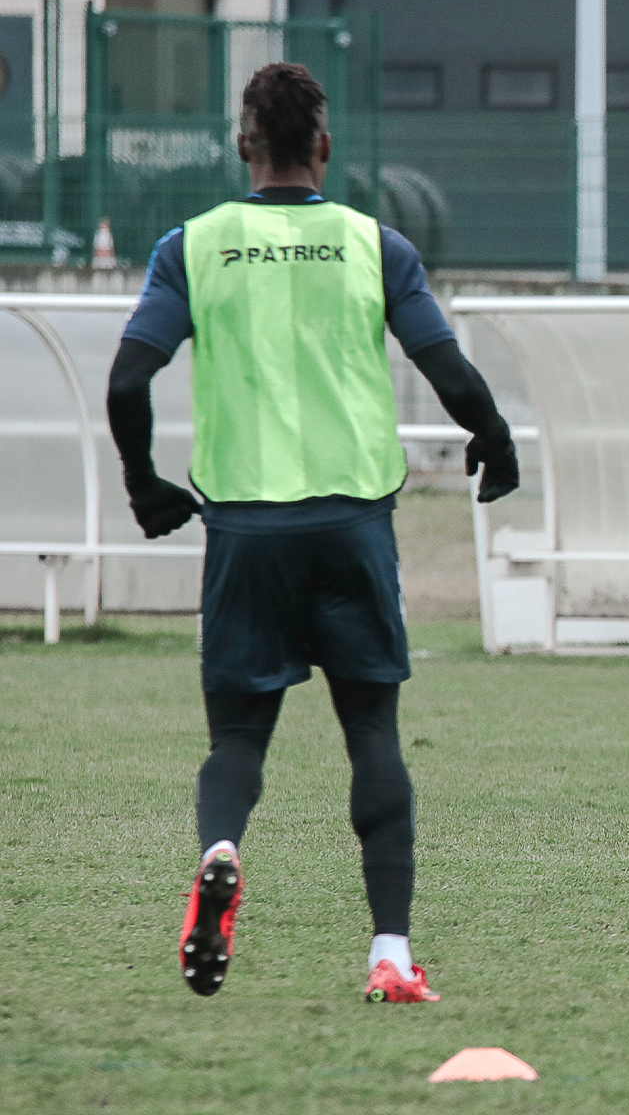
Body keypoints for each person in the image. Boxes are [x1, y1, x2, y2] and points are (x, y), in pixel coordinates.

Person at [106, 62, 520, 1003]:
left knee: (237, 741)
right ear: (324, 148)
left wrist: (145, 487)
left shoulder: (194, 245)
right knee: (372, 731)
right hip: (351, 526)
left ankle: (220, 851)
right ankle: (389, 956)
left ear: (243, 145)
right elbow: (448, 371)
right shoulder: (375, 244)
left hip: (245, 531)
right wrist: (493, 443)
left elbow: (129, 382)